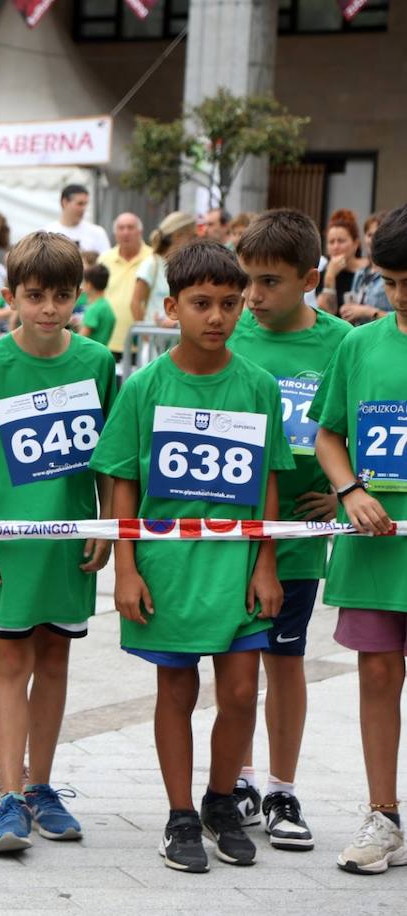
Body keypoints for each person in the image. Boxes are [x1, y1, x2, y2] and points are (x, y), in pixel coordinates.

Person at [90, 240, 294, 873]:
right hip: (166, 568)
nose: (218, 317)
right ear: (172, 306)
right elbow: (122, 478)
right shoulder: (146, 386)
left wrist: (265, 562)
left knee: (240, 691)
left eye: (230, 305)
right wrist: (125, 566)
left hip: (236, 565)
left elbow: (267, 479)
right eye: (202, 304)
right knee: (175, 690)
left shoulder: (257, 385)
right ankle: (179, 815)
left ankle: (220, 800)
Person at [0, 231, 116, 853]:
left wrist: (103, 525)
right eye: (36, 295)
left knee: (56, 660)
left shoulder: (97, 362)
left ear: (78, 296)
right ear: (12, 295)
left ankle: (43, 786)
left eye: (62, 295)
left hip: (71, 546)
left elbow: (110, 457)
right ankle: (10, 794)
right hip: (8, 548)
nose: (49, 308)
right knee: (12, 662)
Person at [228, 209, 352, 848]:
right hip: (229, 534)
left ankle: (283, 789)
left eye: (269, 281)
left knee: (285, 658)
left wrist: (344, 491)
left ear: (309, 278)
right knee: (237, 660)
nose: (252, 296)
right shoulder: (231, 334)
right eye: (246, 279)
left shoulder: (340, 344)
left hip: (298, 536)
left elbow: (350, 430)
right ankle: (240, 780)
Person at [308, 203, 407, 875]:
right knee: (377, 671)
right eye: (392, 281)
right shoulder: (360, 344)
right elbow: (327, 432)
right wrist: (351, 490)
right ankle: (383, 814)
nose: (401, 296)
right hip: (375, 541)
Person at [98, 213, 152, 358]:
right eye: (121, 228)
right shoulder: (104, 259)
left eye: (130, 227)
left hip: (142, 339)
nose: (125, 232)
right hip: (107, 339)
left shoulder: (153, 258)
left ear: (140, 232)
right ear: (115, 233)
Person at [131, 211, 198, 327]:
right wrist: (146, 336)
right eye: (192, 236)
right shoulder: (151, 264)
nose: (195, 241)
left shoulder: (189, 266)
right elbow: (135, 303)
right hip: (154, 340)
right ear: (178, 236)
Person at [318, 209, 368, 316]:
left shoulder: (370, 270)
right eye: (331, 242)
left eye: (341, 241)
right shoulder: (324, 274)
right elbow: (327, 316)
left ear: (356, 243)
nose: (336, 247)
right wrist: (330, 277)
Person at [344, 211, 390, 322]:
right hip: (360, 335)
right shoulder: (360, 273)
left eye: (378, 235)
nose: (372, 240)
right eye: (369, 235)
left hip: (382, 336)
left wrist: (367, 312)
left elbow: (401, 318)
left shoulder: (392, 274)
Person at [43, 184, 110, 256]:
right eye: (80, 204)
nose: (83, 208)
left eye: (85, 204)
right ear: (64, 202)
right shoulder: (47, 232)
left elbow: (106, 262)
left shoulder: (98, 232)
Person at [79, 263, 115, 345]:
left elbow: (82, 338)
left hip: (89, 354)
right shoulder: (105, 306)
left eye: (84, 283)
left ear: (89, 285)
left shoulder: (94, 309)